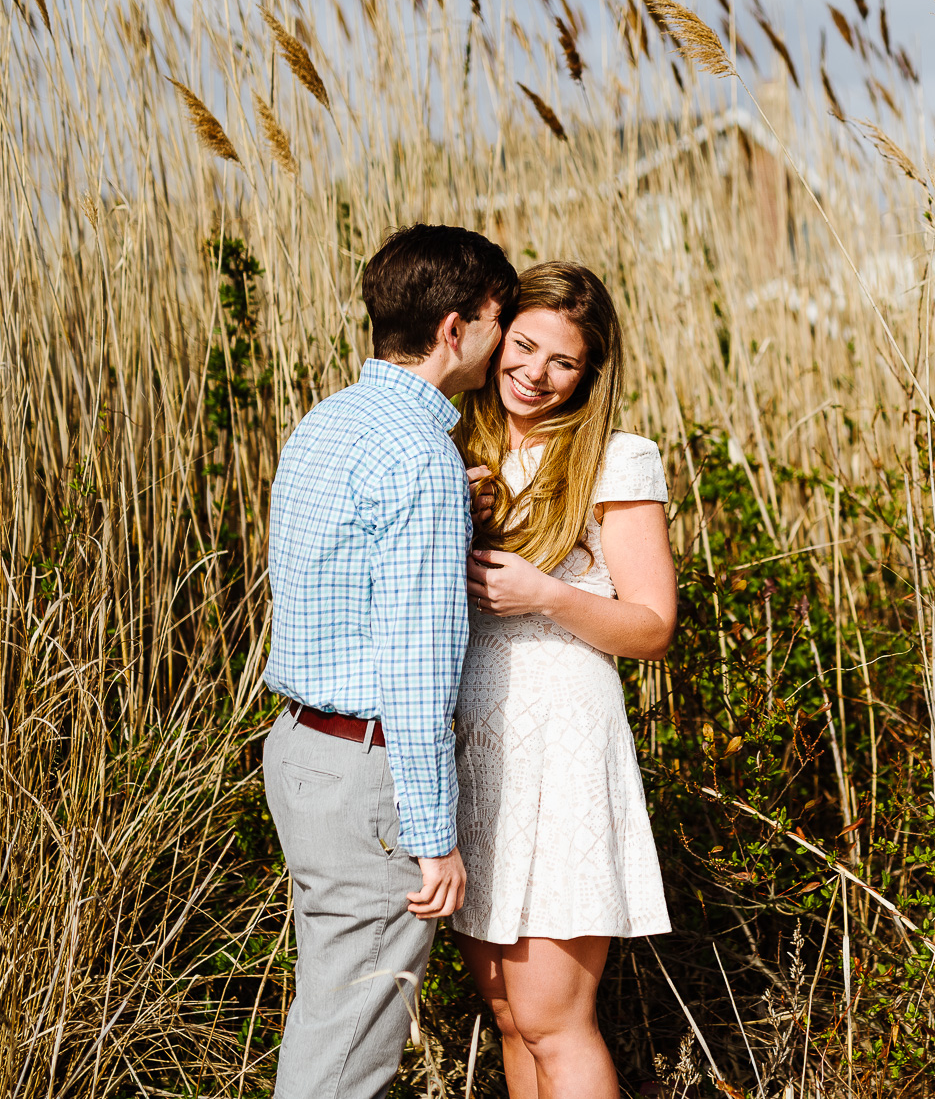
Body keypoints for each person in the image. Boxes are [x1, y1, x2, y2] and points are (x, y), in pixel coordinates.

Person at [260, 224, 517, 1099]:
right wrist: (434, 838)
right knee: (348, 1052)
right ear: (457, 327)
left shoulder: (329, 422)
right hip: (370, 774)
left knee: (330, 1009)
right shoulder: (421, 458)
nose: (503, 338)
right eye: (499, 318)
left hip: (301, 748)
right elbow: (413, 669)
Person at [445, 261, 678, 1099]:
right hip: (476, 749)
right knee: (512, 1019)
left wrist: (546, 594)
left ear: (591, 374)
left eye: (563, 362)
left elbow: (652, 627)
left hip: (563, 747)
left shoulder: (616, 458)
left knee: (554, 1018)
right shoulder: (453, 448)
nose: (535, 374)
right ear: (494, 334)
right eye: (525, 345)